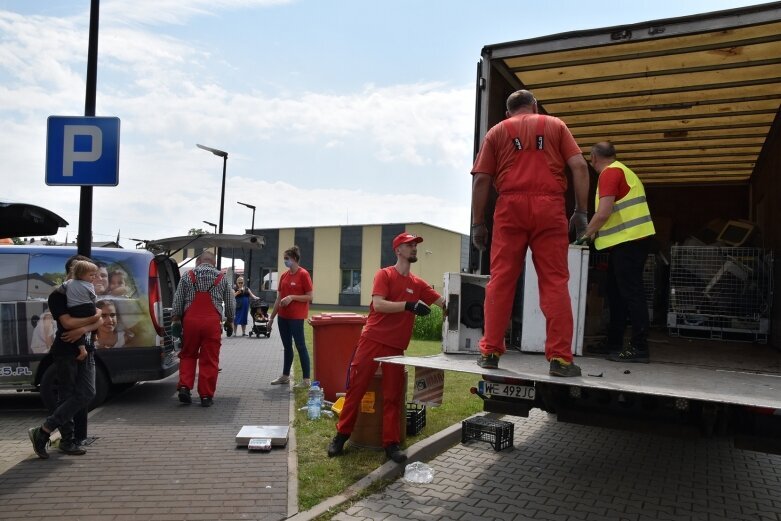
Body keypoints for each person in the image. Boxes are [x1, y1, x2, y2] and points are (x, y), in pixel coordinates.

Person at [471, 89, 590, 377]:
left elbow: (481, 181)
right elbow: (579, 166)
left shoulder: (497, 132)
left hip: (510, 207)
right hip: (549, 207)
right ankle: (560, 359)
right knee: (554, 282)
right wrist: (581, 211)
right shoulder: (556, 125)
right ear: (535, 106)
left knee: (501, 280)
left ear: (507, 112)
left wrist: (478, 223)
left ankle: (490, 352)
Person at [327, 232, 445, 464]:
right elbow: (379, 304)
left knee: (392, 396)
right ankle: (341, 436)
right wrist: (409, 306)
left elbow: (444, 302)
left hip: (396, 348)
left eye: (415, 245)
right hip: (372, 340)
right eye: (409, 245)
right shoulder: (385, 274)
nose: (414, 248)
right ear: (397, 250)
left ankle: (390, 444)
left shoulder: (418, 284)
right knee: (356, 390)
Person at [580, 141, 656, 363]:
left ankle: (639, 348)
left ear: (593, 158)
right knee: (616, 293)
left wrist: (585, 235)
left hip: (630, 242)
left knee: (631, 294)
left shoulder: (610, 174)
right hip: (628, 242)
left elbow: (603, 213)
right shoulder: (623, 171)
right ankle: (614, 342)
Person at [28, 255, 102, 459]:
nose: (90, 277)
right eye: (77, 269)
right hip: (66, 350)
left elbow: (99, 319)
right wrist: (93, 318)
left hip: (86, 348)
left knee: (87, 393)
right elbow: (68, 323)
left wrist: (85, 327)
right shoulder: (58, 296)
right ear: (71, 271)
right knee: (67, 395)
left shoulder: (84, 290)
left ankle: (44, 430)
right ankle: (67, 441)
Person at [171, 251, 235, 407]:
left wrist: (176, 319)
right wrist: (230, 321)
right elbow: (230, 301)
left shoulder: (188, 276)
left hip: (190, 322)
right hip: (212, 323)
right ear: (213, 262)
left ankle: (185, 387)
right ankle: (206, 396)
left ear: (198, 261)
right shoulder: (221, 277)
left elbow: (178, 299)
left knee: (188, 354)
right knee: (209, 359)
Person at [268, 246, 313, 387]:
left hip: (296, 317)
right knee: (287, 347)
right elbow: (278, 298)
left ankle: (306, 380)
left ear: (294, 259)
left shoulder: (304, 274)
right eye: (284, 259)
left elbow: (310, 297)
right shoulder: (284, 276)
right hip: (283, 317)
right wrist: (271, 318)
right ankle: (285, 376)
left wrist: (292, 297)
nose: (285, 261)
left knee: (300, 346)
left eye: (286, 259)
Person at [61, 260, 99, 358]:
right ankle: (94, 335)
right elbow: (93, 297)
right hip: (88, 307)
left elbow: (61, 290)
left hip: (73, 309)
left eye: (94, 275)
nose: (94, 277)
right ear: (81, 274)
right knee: (96, 318)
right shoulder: (89, 285)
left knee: (76, 328)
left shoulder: (68, 282)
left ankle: (82, 349)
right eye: (91, 275)